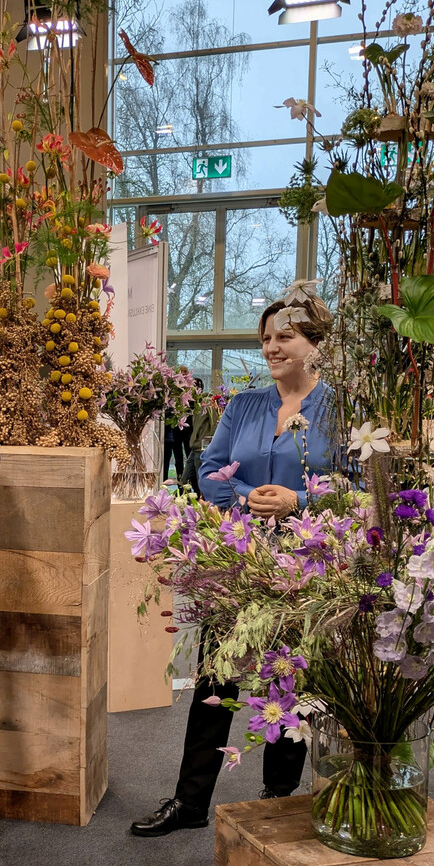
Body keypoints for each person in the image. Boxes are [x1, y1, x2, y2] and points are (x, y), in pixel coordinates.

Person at [131, 298, 334, 836]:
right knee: (214, 681)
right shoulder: (244, 406)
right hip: (238, 561)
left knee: (289, 683)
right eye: (266, 337)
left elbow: (360, 486)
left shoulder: (341, 411)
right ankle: (190, 801)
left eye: (284, 337)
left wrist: (299, 502)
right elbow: (209, 470)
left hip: (303, 563)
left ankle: (278, 799)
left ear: (315, 344)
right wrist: (249, 501)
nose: (270, 347)